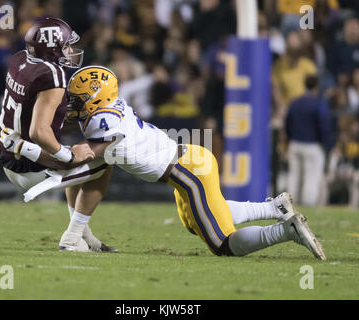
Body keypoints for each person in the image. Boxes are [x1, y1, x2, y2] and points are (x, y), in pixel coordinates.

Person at [24, 66, 326, 261]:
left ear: (93, 99)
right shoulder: (103, 110)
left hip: (189, 171)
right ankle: (273, 208)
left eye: (76, 99)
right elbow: (84, 158)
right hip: (186, 165)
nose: (71, 104)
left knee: (222, 245)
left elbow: (85, 155)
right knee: (195, 222)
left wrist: (35, 148)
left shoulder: (103, 121)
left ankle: (286, 232)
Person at [0, 17, 116, 252]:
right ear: (52, 48)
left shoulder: (19, 59)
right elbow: (39, 131)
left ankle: (83, 234)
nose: (70, 50)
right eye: (65, 45)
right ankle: (72, 238)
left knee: (78, 159)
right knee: (104, 162)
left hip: (10, 154)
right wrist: (66, 156)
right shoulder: (52, 75)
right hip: (31, 166)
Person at [285, 75, 333, 206]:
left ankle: (289, 206)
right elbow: (324, 127)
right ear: (317, 87)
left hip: (295, 144)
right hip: (313, 145)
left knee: (294, 177)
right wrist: (327, 145)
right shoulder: (318, 104)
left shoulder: (295, 102)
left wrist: (290, 139)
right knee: (311, 178)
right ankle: (308, 206)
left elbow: (287, 123)